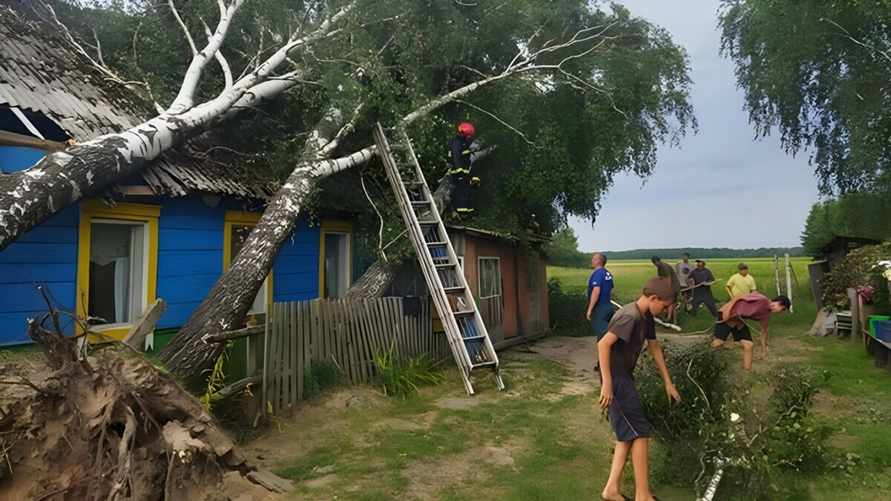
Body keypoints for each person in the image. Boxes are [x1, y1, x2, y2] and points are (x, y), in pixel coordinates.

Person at [598, 277, 682, 501]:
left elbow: (654, 347)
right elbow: (603, 344)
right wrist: (607, 384)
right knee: (640, 432)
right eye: (664, 306)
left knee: (627, 435)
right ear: (653, 298)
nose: (665, 311)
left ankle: (611, 490)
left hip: (624, 377)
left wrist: (668, 382)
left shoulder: (646, 316)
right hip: (616, 379)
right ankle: (643, 496)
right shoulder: (630, 316)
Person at [712, 293, 791, 370]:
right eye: (782, 309)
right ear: (780, 303)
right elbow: (739, 296)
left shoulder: (766, 315)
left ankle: (747, 372)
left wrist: (763, 350)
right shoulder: (762, 299)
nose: (780, 311)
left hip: (737, 320)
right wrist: (727, 310)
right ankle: (707, 358)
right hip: (726, 314)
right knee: (718, 343)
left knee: (748, 345)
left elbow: (764, 332)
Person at [447, 121, 480, 216]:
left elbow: (467, 160)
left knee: (468, 190)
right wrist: (459, 171)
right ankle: (461, 212)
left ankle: (468, 212)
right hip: (458, 172)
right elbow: (456, 157)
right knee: (461, 191)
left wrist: (474, 177)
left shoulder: (463, 143)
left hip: (464, 172)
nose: (469, 138)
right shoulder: (457, 143)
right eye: (468, 136)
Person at [586, 252, 614, 339]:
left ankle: (606, 347)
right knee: (608, 331)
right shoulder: (607, 273)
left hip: (600, 308)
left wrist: (590, 309)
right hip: (608, 306)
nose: (592, 260)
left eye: (593, 259)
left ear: (598, 261)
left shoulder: (598, 273)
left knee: (603, 334)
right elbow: (610, 289)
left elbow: (596, 291)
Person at [651, 256, 680, 323]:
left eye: (655, 263)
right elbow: (660, 278)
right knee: (669, 302)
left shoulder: (664, 266)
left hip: (673, 287)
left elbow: (668, 279)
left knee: (672, 302)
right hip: (670, 286)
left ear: (657, 261)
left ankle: (672, 319)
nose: (655, 265)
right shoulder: (660, 267)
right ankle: (670, 318)